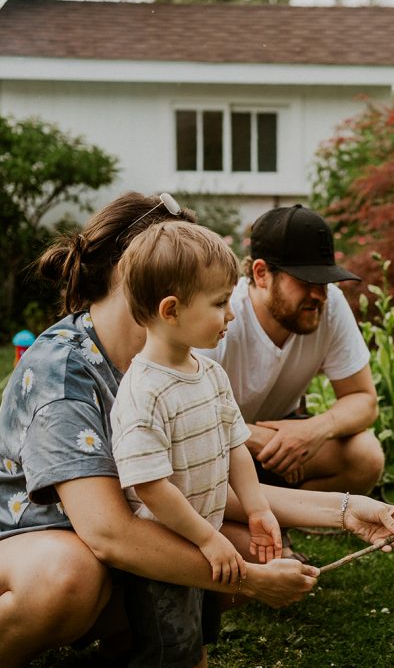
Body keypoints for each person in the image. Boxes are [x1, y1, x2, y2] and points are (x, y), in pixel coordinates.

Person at [0, 192, 394, 668]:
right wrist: (246, 580)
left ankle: (125, 644)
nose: (229, 313)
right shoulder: (65, 370)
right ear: (144, 277)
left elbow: (201, 488)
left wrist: (350, 510)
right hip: (3, 566)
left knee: (253, 544)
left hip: (102, 563)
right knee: (71, 570)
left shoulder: (175, 367)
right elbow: (109, 532)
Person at [111, 221, 282, 640]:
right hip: (165, 551)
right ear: (171, 310)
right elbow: (151, 486)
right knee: (170, 651)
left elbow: (235, 446)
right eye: (220, 302)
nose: (232, 313)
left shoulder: (210, 373)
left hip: (203, 538)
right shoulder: (144, 392)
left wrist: (257, 509)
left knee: (196, 639)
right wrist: (208, 539)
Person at [196, 205, 384, 494]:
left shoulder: (330, 304)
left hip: (281, 445)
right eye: (306, 281)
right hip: (214, 450)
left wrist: (313, 431)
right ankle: (264, 524)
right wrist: (256, 438)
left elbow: (363, 400)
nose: (319, 295)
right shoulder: (223, 315)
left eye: (325, 281)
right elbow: (189, 415)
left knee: (365, 457)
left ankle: (282, 515)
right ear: (261, 274)